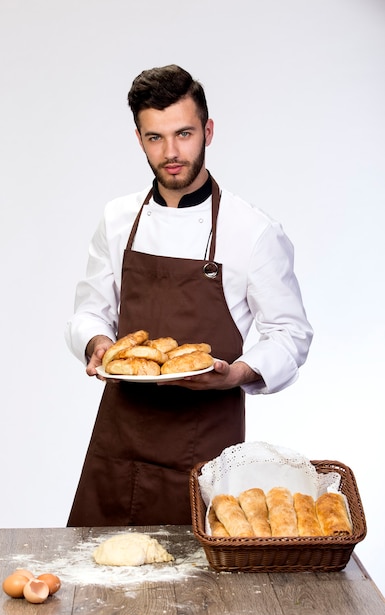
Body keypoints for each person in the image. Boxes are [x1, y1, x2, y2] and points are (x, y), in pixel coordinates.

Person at [65, 64, 313, 527]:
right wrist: (99, 344)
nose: (172, 152)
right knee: (97, 581)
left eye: (184, 133)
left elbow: (290, 335)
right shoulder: (118, 219)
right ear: (139, 139)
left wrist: (236, 372)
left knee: (202, 595)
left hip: (203, 447)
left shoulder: (252, 231)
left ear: (208, 131)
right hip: (119, 444)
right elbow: (88, 311)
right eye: (155, 137)